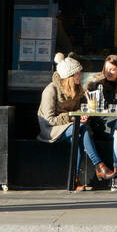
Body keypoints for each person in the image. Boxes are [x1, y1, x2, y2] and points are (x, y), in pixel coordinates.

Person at [37, 53, 104, 191]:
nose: (80, 75)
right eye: (77, 74)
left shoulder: (76, 89)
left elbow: (76, 110)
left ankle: (74, 178)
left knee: (78, 135)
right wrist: (73, 117)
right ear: (69, 76)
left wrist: (81, 115)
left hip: (72, 126)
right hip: (51, 130)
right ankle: (99, 166)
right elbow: (49, 120)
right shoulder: (51, 90)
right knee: (80, 130)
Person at [82, 53, 117, 191]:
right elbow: (88, 108)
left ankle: (116, 176)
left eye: (113, 69)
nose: (109, 72)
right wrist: (85, 117)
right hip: (105, 127)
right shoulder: (96, 85)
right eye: (106, 69)